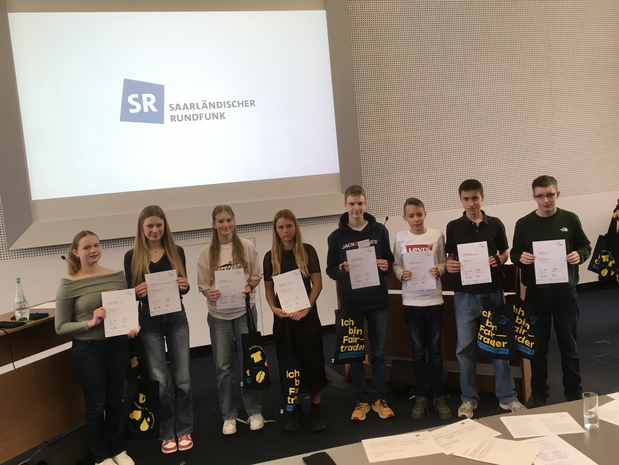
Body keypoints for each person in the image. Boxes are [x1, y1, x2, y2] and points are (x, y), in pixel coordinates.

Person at [445, 179, 525, 419]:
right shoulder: (453, 226)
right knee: (464, 349)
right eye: (466, 199)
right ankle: (468, 399)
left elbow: (505, 252)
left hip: (493, 293)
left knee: (499, 346)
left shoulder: (496, 223)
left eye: (475, 198)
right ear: (461, 200)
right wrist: (450, 264)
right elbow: (451, 257)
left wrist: (499, 259)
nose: (471, 203)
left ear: (482, 198)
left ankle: (507, 397)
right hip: (465, 296)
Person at [55, 231, 137, 465]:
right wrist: (89, 323)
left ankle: (117, 449)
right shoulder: (68, 284)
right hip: (88, 350)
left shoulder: (117, 276)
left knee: (115, 401)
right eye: (87, 247)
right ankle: (101, 457)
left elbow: (126, 310)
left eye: (96, 245)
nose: (93, 250)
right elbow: (60, 327)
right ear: (76, 252)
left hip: (117, 345)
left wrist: (131, 327)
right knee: (96, 405)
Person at [511, 176, 591, 406]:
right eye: (540, 196)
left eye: (549, 194)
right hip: (537, 297)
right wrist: (521, 258)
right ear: (533, 197)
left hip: (566, 295)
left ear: (558, 194)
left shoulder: (570, 219)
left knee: (569, 347)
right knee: (538, 348)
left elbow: (585, 246)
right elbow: (515, 254)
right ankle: (539, 394)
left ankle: (573, 394)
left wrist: (579, 255)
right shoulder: (523, 224)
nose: (545, 200)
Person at [123, 205, 193, 454]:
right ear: (141, 228)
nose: (155, 230)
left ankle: (184, 429)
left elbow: (184, 287)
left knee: (183, 379)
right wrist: (136, 292)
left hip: (176, 318)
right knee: (159, 381)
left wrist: (184, 286)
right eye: (149, 226)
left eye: (158, 225)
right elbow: (129, 292)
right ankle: (166, 432)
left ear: (165, 226)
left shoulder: (177, 251)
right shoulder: (132, 256)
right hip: (149, 322)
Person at [326, 185, 395, 421]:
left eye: (360, 203)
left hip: (377, 301)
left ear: (365, 204)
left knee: (378, 352)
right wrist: (341, 269)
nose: (356, 208)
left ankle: (379, 397)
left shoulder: (380, 230)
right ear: (345, 205)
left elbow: (389, 262)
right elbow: (330, 270)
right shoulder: (336, 237)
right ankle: (361, 399)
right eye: (352, 204)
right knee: (354, 354)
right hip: (351, 303)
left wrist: (386, 266)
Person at [197, 205, 264, 435]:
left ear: (234, 221)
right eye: (221, 221)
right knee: (223, 367)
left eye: (229, 220)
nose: (226, 225)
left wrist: (249, 287)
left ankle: (254, 411)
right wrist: (209, 292)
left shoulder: (246, 246)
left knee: (249, 362)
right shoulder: (207, 252)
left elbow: (256, 276)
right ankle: (229, 415)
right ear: (214, 225)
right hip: (219, 317)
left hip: (245, 312)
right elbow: (203, 284)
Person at [263, 209, 328, 433]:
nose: (285, 231)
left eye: (289, 226)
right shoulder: (270, 256)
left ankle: (316, 409)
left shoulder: (308, 250)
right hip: (284, 320)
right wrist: (273, 308)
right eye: (281, 227)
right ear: (276, 230)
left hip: (307, 317)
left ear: (295, 227)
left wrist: (306, 308)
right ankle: (296, 409)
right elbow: (268, 289)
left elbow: (317, 285)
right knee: (289, 364)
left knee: (313, 362)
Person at [392, 198, 451, 420]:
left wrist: (440, 270)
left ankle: (439, 396)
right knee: (417, 354)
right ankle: (421, 396)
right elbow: (396, 264)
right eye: (411, 216)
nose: (416, 219)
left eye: (419, 214)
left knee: (435, 354)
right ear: (404, 217)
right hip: (411, 303)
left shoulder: (437, 235)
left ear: (425, 214)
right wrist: (401, 273)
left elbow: (444, 262)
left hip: (434, 301)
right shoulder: (400, 237)